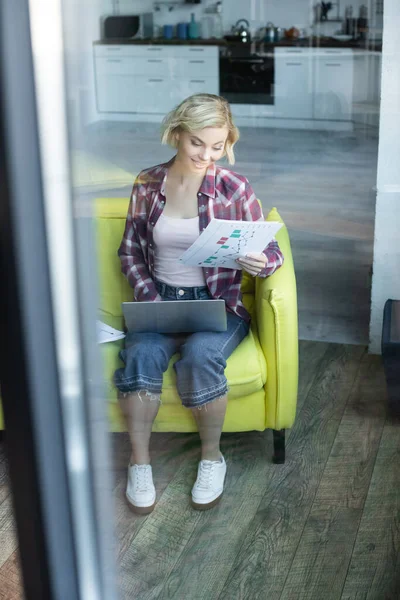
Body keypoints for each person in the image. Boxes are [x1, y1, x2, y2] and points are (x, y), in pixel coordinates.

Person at [114, 93, 284, 515]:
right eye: (196, 143)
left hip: (218, 306)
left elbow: (273, 252)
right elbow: (130, 251)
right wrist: (151, 300)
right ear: (176, 134)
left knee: (201, 356)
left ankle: (212, 458)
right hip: (159, 301)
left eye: (217, 146)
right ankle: (140, 463)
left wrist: (260, 262)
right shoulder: (148, 182)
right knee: (141, 356)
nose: (207, 156)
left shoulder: (234, 187)